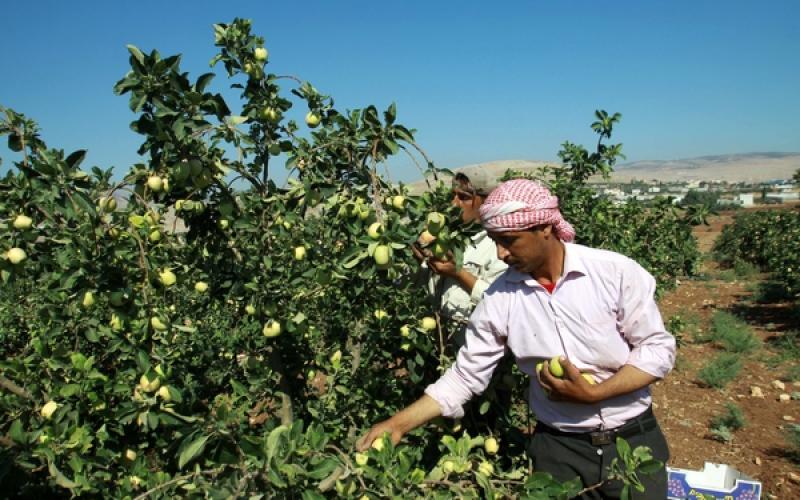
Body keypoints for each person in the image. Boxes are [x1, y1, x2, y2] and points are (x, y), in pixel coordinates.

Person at [358, 179, 675, 499]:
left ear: (545, 229)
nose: (501, 253)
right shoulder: (500, 299)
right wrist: (398, 424)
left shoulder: (613, 273)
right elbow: (466, 375)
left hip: (634, 443)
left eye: (509, 240)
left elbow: (657, 349)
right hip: (559, 450)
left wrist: (597, 394)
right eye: (495, 241)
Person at [413, 171, 507, 348]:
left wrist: (457, 273)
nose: (454, 203)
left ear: (486, 202)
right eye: (452, 196)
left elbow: (502, 304)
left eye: (463, 197)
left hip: (478, 353)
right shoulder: (445, 238)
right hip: (440, 344)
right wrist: (418, 263)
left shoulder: (499, 246)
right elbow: (416, 288)